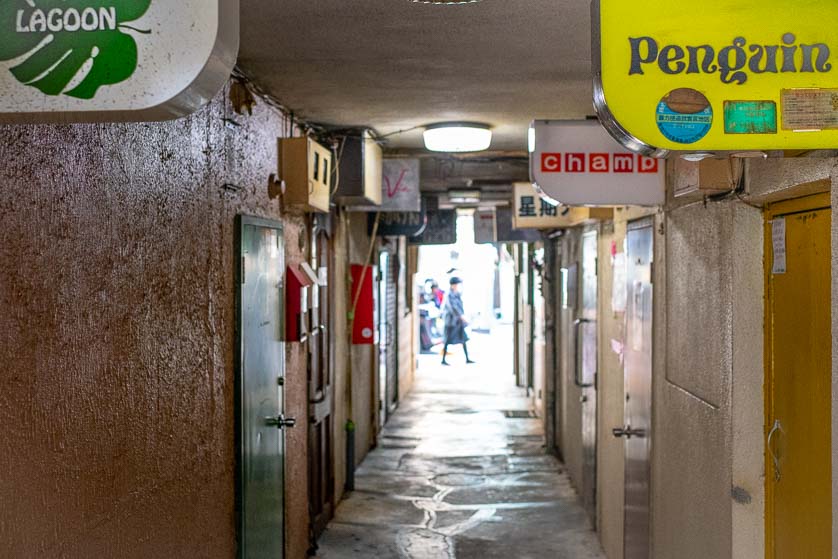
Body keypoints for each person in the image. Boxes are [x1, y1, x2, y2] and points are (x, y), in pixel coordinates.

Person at [441, 277, 474, 366]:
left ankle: (467, 358)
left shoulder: (457, 294)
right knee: (447, 340)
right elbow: (453, 308)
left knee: (463, 338)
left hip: (458, 321)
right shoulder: (449, 294)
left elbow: (459, 306)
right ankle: (443, 359)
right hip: (451, 321)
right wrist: (461, 317)